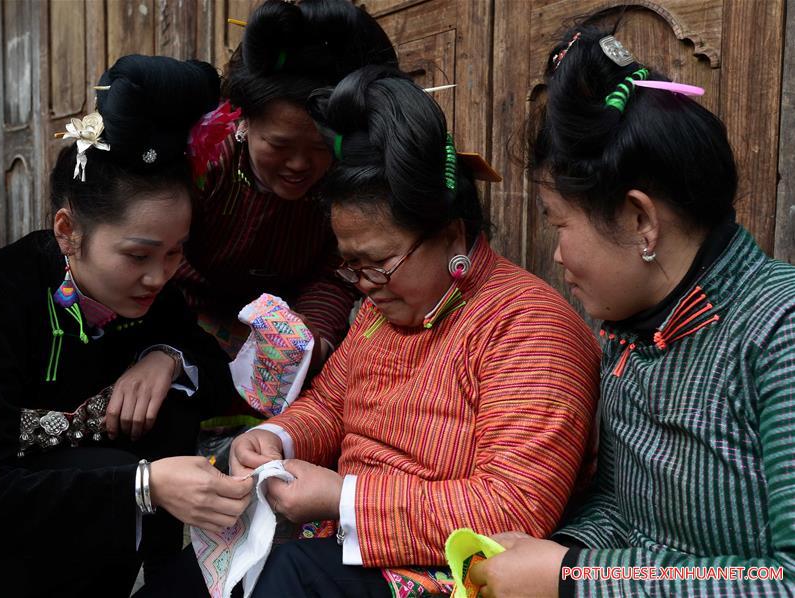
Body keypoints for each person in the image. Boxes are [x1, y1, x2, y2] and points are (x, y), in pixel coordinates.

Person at [221, 66, 602, 597]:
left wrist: (344, 498)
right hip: (342, 544)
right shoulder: (383, 309)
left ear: (450, 235)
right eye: (350, 267)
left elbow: (512, 508)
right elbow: (331, 404)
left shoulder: (530, 327)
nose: (364, 286)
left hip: (445, 575)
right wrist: (276, 437)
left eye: (377, 263)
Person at [0, 55, 252, 597]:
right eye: (139, 255)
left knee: (166, 411)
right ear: (68, 231)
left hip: (37, 475)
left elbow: (211, 367)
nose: (159, 275)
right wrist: (144, 485)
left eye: (177, 252)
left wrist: (165, 358)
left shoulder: (150, 294)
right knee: (113, 491)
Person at [467, 25, 795, 597]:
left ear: (640, 220)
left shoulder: (779, 329)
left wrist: (573, 580)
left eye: (558, 223)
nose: (557, 255)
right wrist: (555, 553)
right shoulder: (629, 334)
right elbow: (622, 513)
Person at [175, 0, 400, 368]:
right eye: (279, 145)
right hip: (184, 324)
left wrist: (313, 339)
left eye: (320, 146)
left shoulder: (343, 184)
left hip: (286, 341)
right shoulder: (206, 162)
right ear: (243, 122)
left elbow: (333, 275)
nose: (299, 165)